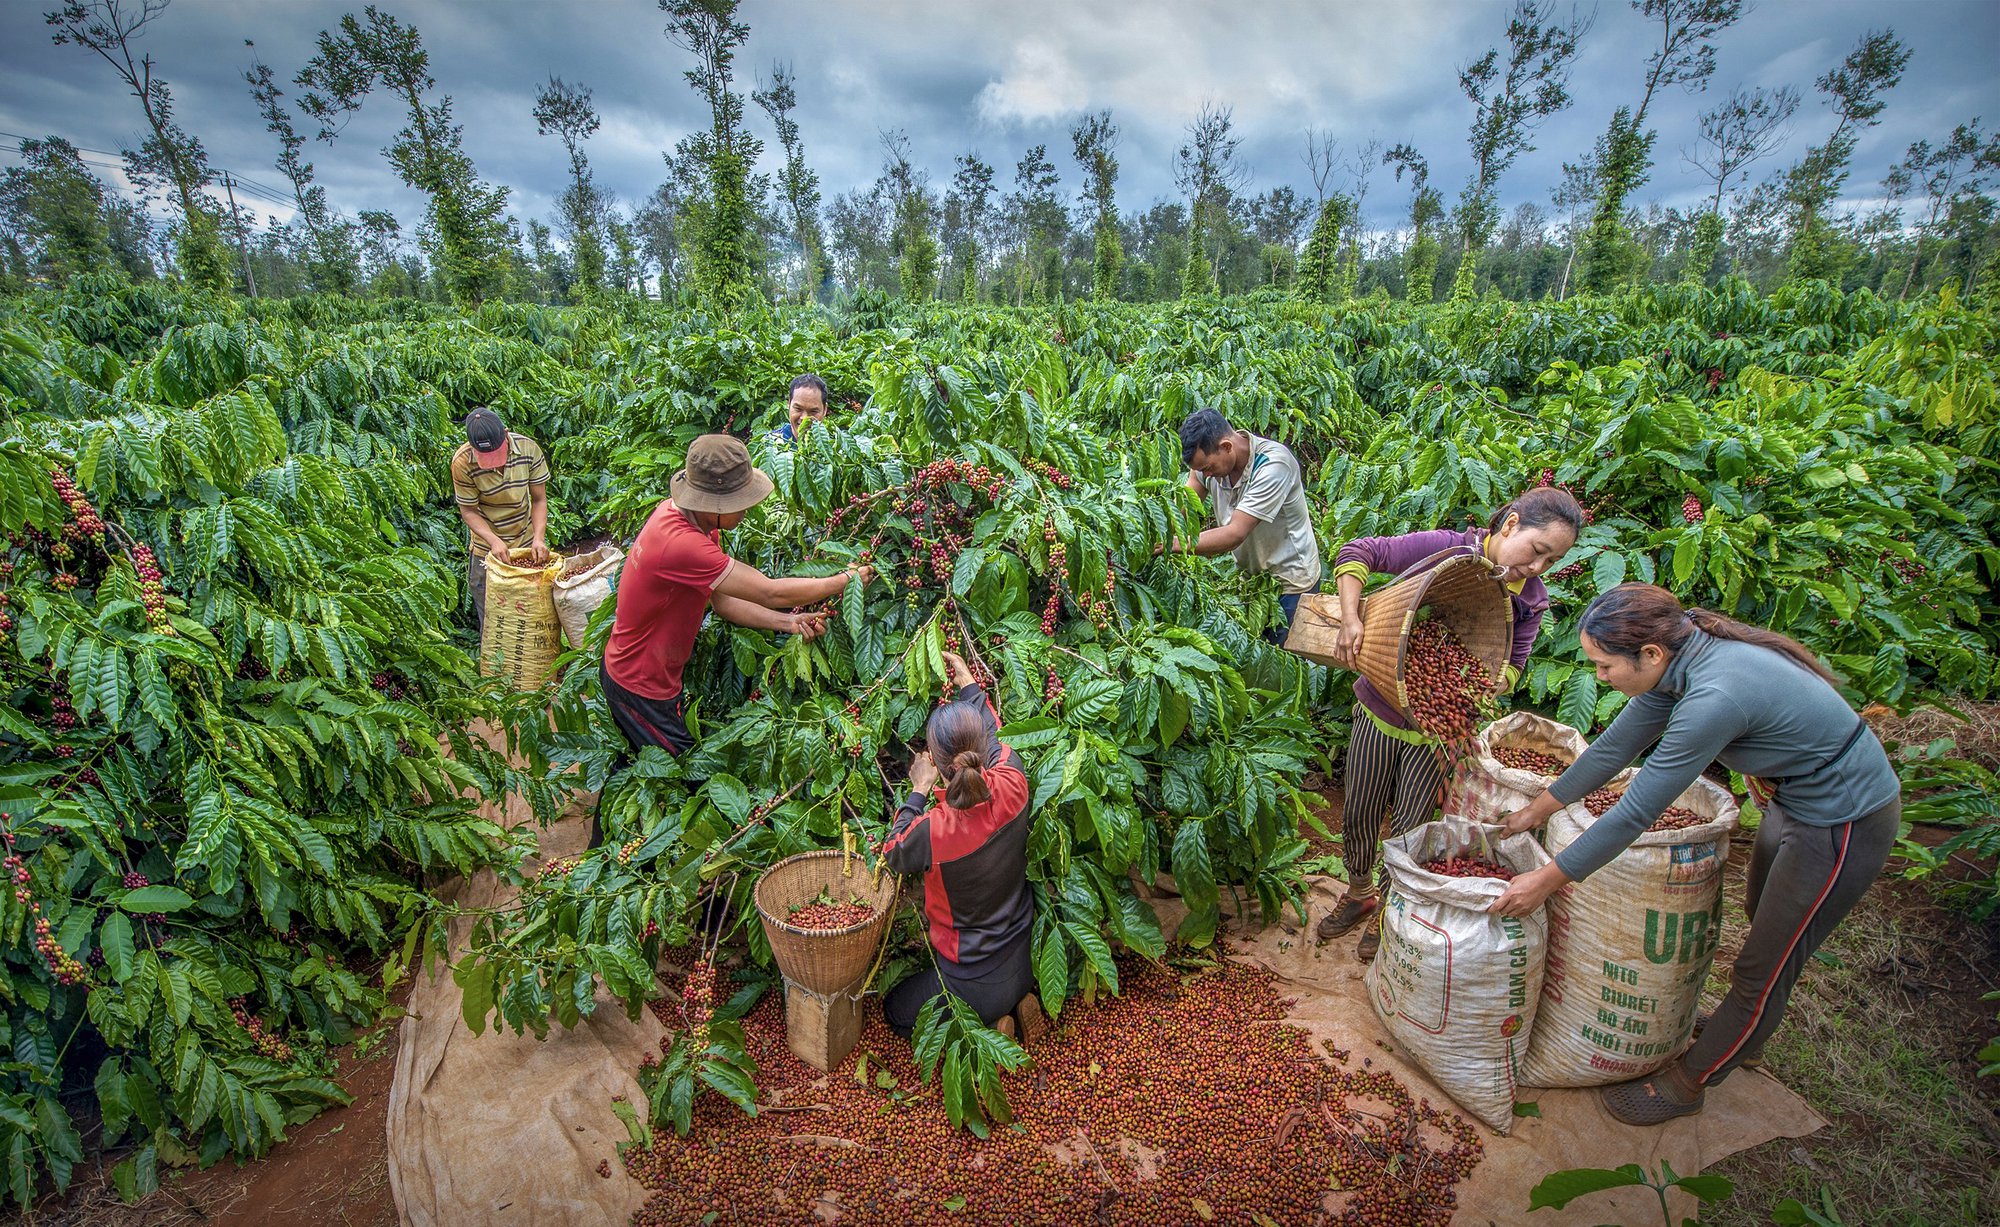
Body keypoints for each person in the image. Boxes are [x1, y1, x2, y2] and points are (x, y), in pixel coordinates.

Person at [1487, 584, 1900, 1126]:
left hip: (1842, 821)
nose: (1600, 677)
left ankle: (1691, 1082)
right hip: (1790, 803)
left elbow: (1636, 813)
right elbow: (1613, 749)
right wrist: (1532, 813)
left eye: (1605, 666)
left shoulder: (1713, 696)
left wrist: (1546, 879)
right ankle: (1745, 1028)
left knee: (1765, 965)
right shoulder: (1677, 661)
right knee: (1763, 922)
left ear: (1650, 655)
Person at [1314, 486, 1583, 960]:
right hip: (1378, 710)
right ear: (1512, 524)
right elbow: (1359, 553)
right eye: (1537, 552)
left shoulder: (1530, 602)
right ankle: (1358, 895)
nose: (1538, 568)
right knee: (1359, 811)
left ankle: (1387, 909)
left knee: (1411, 827)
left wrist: (1482, 677)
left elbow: (1514, 665)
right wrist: (1352, 620)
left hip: (1436, 734)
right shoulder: (1449, 549)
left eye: (1551, 561)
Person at [601, 434, 870, 757]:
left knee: (643, 758)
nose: (747, 509)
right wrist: (844, 581)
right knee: (679, 775)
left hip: (651, 677)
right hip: (639, 685)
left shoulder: (692, 521)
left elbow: (722, 601)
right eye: (740, 502)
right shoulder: (682, 545)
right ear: (713, 504)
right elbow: (769, 591)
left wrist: (789, 622)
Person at [880, 652, 1043, 1042]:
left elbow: (893, 849)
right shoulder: (1013, 779)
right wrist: (969, 682)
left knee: (894, 1012)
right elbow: (995, 734)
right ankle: (1018, 1004)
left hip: (969, 981)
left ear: (935, 762)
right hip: (1025, 955)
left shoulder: (936, 830)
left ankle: (986, 1027)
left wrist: (918, 789)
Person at [1174, 408, 1323, 642]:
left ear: (1226, 446)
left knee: (1288, 661)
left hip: (1291, 583)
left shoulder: (1273, 465)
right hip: (1253, 581)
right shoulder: (1206, 466)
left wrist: (1173, 544)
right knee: (1257, 658)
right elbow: (1183, 508)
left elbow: (1235, 533)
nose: (1207, 475)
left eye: (1208, 468)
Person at [451, 407, 550, 633]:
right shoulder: (463, 462)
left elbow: (539, 500)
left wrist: (539, 538)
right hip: (486, 548)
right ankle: (496, 664)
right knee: (492, 614)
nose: (494, 464)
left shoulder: (528, 449)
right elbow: (469, 511)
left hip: (524, 538)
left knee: (534, 610)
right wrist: (493, 541)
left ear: (505, 434)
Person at [768, 373, 831, 446]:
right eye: (798, 409)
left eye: (813, 411)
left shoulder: (836, 447)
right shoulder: (770, 443)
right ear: (789, 405)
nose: (804, 418)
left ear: (825, 410)